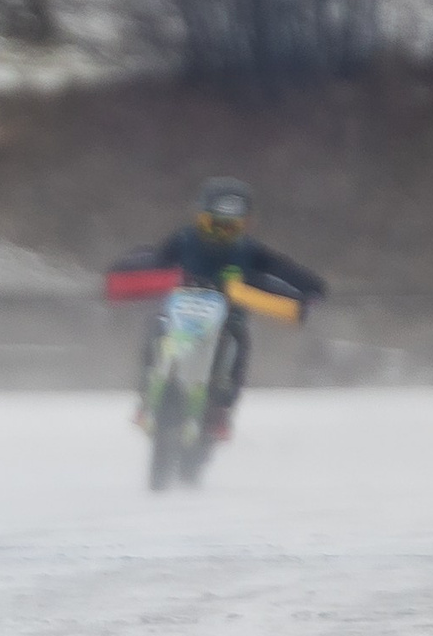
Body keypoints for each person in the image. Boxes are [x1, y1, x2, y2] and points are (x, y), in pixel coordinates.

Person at [108, 176, 326, 439]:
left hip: (227, 317)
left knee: (238, 341)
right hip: (180, 312)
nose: (221, 234)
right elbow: (154, 259)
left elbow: (282, 269)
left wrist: (312, 288)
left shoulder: (249, 250)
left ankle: (221, 408)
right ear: (200, 218)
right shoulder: (184, 240)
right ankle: (146, 397)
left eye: (230, 228)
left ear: (245, 225)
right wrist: (125, 272)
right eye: (213, 226)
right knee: (155, 329)